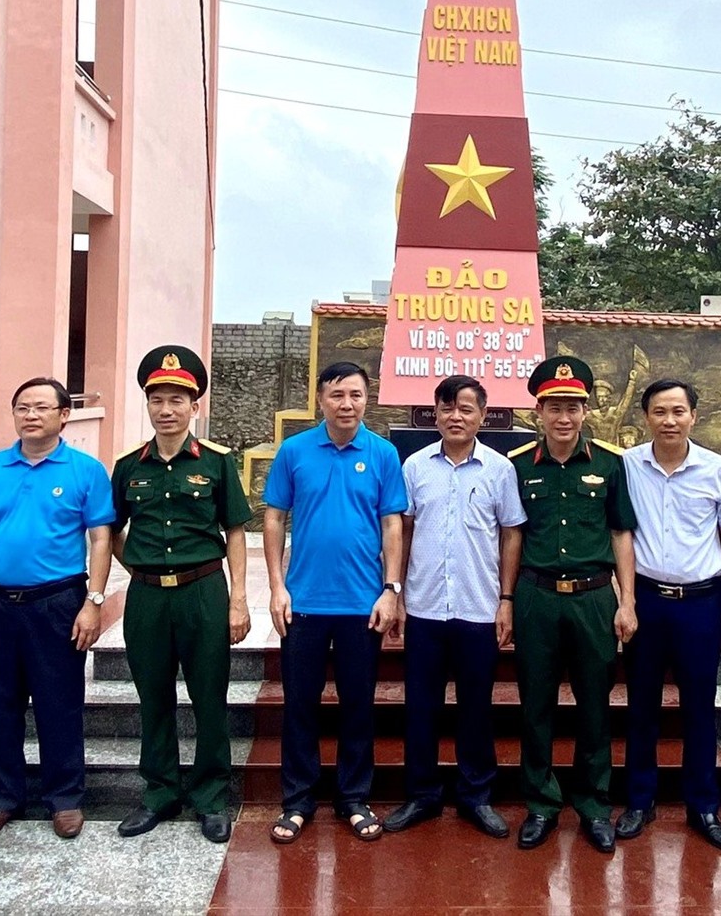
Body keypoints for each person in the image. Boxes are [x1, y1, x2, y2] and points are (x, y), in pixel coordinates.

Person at [0, 378, 115, 840]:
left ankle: (64, 798)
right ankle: (2, 798)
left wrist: (94, 601)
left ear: (64, 415)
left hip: (59, 603)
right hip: (1, 603)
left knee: (58, 704)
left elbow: (101, 537)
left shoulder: (85, 470)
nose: (31, 415)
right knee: (1, 704)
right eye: (22, 406)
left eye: (42, 407)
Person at [261, 361, 407, 845]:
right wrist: (277, 585)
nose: (347, 404)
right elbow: (276, 518)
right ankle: (298, 800)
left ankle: (352, 797)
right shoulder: (295, 451)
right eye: (337, 395)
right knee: (300, 704)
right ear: (321, 398)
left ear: (368, 399)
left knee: (357, 706)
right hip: (303, 603)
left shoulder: (383, 454)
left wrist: (391, 588)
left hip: (362, 604)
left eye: (356, 395)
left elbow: (392, 525)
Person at [111, 345, 252, 842]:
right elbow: (110, 530)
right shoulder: (129, 466)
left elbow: (235, 531)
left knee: (209, 696)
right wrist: (140, 567)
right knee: (153, 697)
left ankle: (212, 796)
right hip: (147, 598)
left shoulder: (216, 463)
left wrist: (238, 600)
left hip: (203, 592)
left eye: (177, 400)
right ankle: (160, 792)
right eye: (157, 400)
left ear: (196, 407)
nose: (166, 410)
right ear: (147, 405)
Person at [383, 374, 525, 839]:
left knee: (475, 708)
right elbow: (401, 531)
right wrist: (397, 592)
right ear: (435, 414)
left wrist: (506, 599)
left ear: (483, 415)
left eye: (466, 408)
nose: (456, 416)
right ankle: (422, 794)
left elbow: (510, 534)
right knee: (420, 707)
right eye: (447, 408)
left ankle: (476, 795)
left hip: (479, 608)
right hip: (423, 607)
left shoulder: (500, 470)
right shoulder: (415, 467)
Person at [508, 355, 638, 855]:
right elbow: (513, 538)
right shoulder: (519, 466)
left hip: (593, 599)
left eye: (573, 407)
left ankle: (593, 805)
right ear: (538, 411)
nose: (564, 417)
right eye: (554, 407)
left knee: (594, 708)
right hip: (537, 597)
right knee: (535, 706)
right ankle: (541, 804)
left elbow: (621, 535)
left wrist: (626, 602)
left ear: (586, 411)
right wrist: (507, 598)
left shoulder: (610, 464)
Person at [615, 379, 721, 851]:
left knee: (698, 708)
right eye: (659, 412)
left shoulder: (719, 469)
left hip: (701, 603)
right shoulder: (627, 466)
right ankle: (638, 800)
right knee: (641, 706)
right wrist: (625, 600)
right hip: (647, 600)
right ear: (645, 417)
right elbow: (622, 534)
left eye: (678, 411)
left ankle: (703, 806)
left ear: (694, 415)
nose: (669, 420)